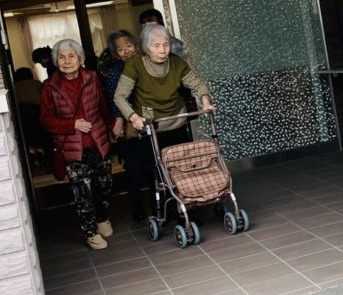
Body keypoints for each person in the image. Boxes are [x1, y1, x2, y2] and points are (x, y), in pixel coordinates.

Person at [113, 23, 214, 213]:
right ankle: (165, 212)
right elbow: (119, 96)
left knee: (184, 168)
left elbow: (198, 84)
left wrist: (205, 102)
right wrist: (133, 117)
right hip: (153, 127)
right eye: (156, 45)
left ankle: (188, 209)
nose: (163, 50)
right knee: (159, 171)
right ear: (146, 47)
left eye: (166, 44)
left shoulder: (176, 62)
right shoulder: (135, 64)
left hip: (177, 122)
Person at [40, 39, 121, 250]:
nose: (67, 61)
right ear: (56, 61)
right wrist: (72, 124)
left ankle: (102, 218)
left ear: (81, 59)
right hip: (72, 149)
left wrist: (113, 124)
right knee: (82, 193)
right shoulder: (49, 87)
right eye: (61, 57)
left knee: (104, 186)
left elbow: (102, 106)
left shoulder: (92, 78)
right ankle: (90, 232)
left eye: (71, 56)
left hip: (98, 142)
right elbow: (46, 120)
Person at [102, 30, 148, 221]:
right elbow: (114, 99)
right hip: (130, 123)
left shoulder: (147, 64)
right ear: (115, 54)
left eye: (128, 46)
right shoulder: (114, 73)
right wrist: (119, 119)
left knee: (154, 164)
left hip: (150, 120)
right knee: (133, 167)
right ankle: (137, 208)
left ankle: (162, 204)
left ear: (136, 45)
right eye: (120, 49)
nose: (126, 51)